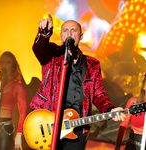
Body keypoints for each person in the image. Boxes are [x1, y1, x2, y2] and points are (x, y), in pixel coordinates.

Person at [29, 14, 126, 150]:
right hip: (49, 123)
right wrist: (44, 33)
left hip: (76, 126)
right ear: (61, 36)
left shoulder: (92, 64)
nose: (69, 33)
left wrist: (110, 109)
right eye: (65, 30)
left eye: (73, 30)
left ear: (81, 36)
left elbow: (98, 93)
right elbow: (39, 48)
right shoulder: (52, 54)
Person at [0, 51, 27, 150]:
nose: (4, 65)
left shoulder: (17, 86)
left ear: (13, 66)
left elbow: (23, 112)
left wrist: (19, 134)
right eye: (3, 62)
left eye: (8, 62)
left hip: (4, 129)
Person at [115, 74, 146, 150]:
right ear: (144, 85)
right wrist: (117, 147)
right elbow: (123, 125)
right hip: (133, 145)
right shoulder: (134, 102)